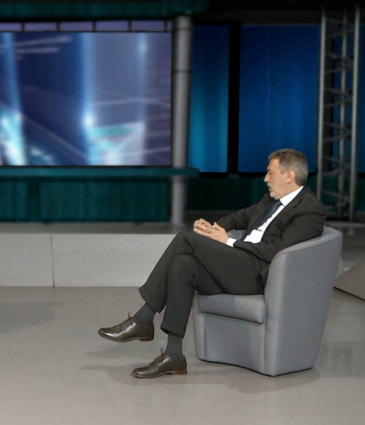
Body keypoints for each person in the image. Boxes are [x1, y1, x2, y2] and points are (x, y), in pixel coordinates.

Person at [98, 149, 326, 378]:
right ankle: (174, 356)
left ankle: (143, 320)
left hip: (256, 273)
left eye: (271, 173)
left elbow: (275, 251)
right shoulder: (271, 198)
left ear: (289, 175)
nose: (266, 179)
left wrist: (229, 242)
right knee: (183, 265)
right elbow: (242, 216)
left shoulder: (310, 210)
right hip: (238, 263)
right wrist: (215, 227)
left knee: (185, 239)